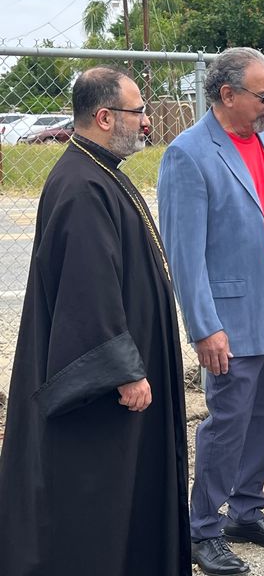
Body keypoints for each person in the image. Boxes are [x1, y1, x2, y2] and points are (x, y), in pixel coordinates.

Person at [0, 67, 191, 575]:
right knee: (99, 493)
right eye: (139, 111)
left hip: (126, 368)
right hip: (107, 390)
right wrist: (123, 370)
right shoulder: (83, 185)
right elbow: (89, 288)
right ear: (105, 117)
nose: (147, 122)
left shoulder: (96, 170)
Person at [157, 47, 264, 576]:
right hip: (230, 319)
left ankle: (246, 510)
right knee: (228, 423)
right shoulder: (188, 154)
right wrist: (205, 328)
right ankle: (202, 529)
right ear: (227, 95)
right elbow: (184, 255)